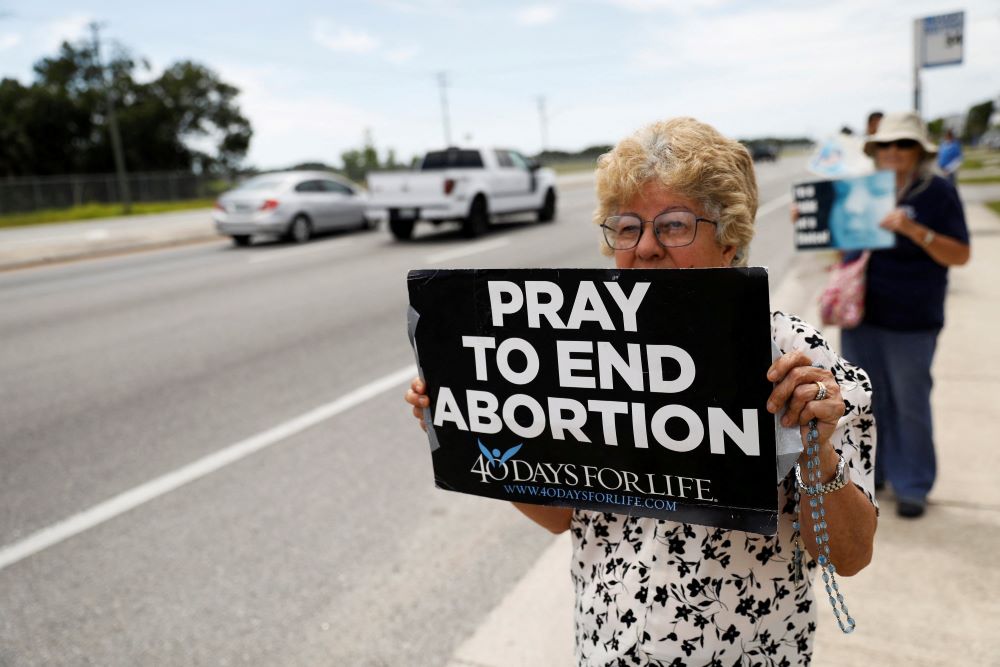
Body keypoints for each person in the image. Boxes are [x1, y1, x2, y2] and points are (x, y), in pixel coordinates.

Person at [405, 117, 878, 665]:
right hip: (605, 646)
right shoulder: (581, 356)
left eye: (673, 225)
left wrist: (816, 453)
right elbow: (564, 518)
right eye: (626, 227)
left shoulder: (794, 358)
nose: (645, 248)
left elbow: (848, 555)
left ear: (729, 239)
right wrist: (473, 428)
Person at [840, 112, 970, 519]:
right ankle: (872, 474)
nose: (893, 152)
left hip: (913, 320)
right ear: (874, 150)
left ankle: (912, 484)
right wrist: (815, 222)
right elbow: (845, 249)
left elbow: (960, 254)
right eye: (885, 145)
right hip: (861, 316)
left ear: (919, 150)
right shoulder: (861, 190)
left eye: (903, 144)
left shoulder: (937, 193)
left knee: (910, 403)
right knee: (863, 403)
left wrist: (916, 232)